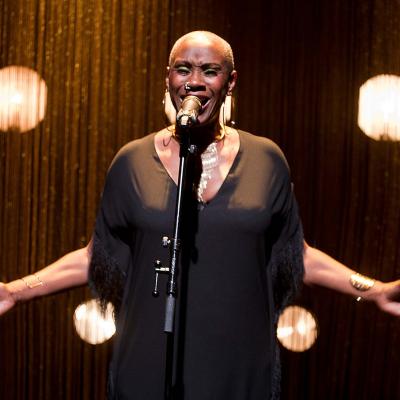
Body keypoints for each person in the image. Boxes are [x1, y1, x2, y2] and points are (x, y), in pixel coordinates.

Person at [1, 31, 400, 400]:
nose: (195, 81)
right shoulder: (132, 161)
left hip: (236, 361)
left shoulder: (266, 159)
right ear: (168, 79)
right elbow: (96, 256)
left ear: (230, 82)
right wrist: (14, 292)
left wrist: (373, 290)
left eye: (210, 70)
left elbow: (298, 255)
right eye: (183, 69)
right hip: (150, 359)